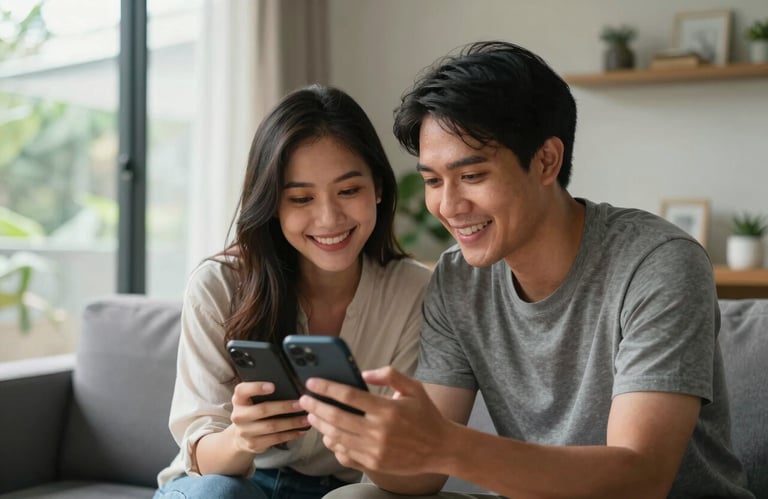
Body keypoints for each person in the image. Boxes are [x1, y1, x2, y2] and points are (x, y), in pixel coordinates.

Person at [298, 42, 755, 498]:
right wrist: (368, 442)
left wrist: (448, 446)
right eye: (434, 181)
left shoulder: (658, 263)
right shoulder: (458, 279)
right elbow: (423, 476)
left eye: (472, 176)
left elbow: (641, 478)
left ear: (546, 161)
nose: (449, 206)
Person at [153, 84, 432, 499]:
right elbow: (202, 459)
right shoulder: (219, 285)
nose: (328, 218)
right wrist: (241, 439)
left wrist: (370, 442)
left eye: (349, 191)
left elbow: (414, 469)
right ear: (272, 205)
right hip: (227, 483)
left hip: (340, 490)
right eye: (300, 198)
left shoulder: (413, 290)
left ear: (377, 187)